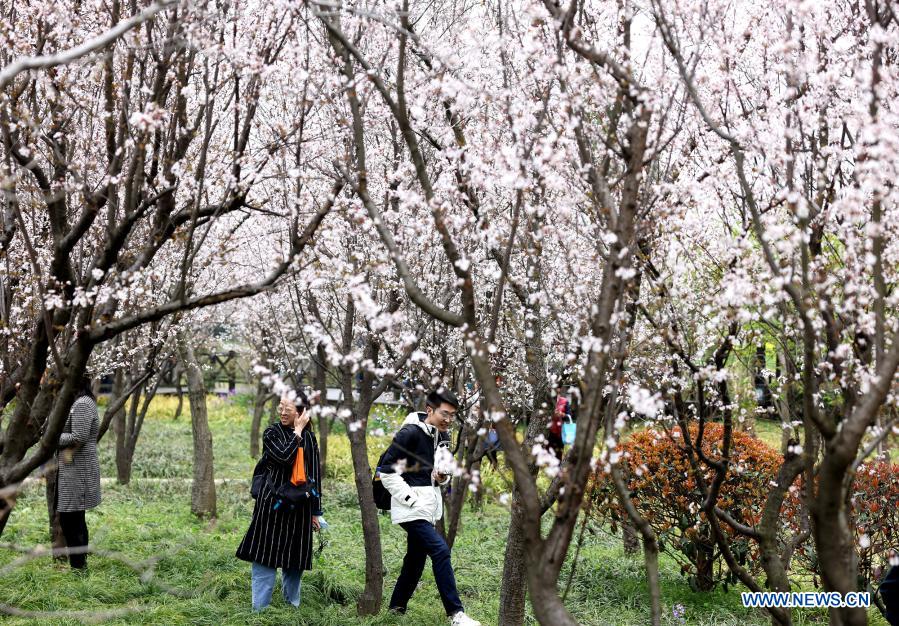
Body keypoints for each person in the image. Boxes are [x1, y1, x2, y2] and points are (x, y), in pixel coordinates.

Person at [379, 389, 481, 626]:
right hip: (412, 507)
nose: (448, 419)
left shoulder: (442, 435)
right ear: (430, 410)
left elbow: (433, 476)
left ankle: (395, 610)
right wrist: (411, 500)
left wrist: (441, 478)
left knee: (415, 561)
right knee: (440, 550)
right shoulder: (410, 433)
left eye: (452, 415)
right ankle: (456, 615)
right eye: (445, 413)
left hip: (428, 507)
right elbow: (386, 472)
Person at [236, 390, 323, 611]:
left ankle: (291, 607)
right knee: (264, 556)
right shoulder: (271, 433)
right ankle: (260, 609)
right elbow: (284, 457)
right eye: (281, 407)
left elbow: (315, 477)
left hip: (300, 508)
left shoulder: (310, 439)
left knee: (294, 561)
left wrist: (316, 512)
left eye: (289, 408)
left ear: (301, 412)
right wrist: (298, 431)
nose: (283, 412)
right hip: (272, 505)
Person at [56, 375, 102, 571]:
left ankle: (79, 567)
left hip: (78, 467)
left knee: (71, 518)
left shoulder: (82, 403)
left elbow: (79, 436)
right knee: (73, 517)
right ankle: (79, 566)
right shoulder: (79, 402)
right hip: (73, 465)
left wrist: (51, 436)